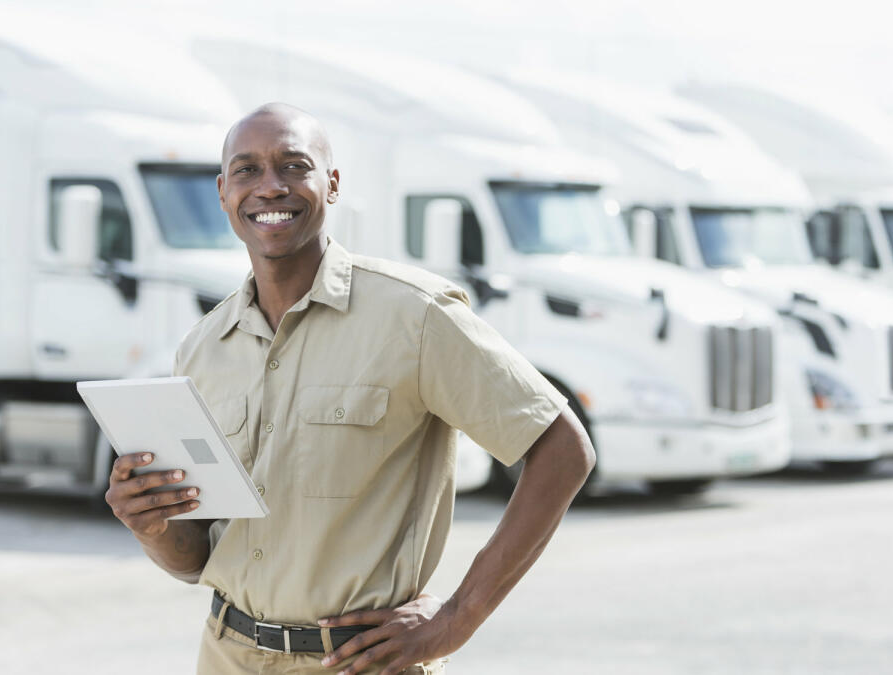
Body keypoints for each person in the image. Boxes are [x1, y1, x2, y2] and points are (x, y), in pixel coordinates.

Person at [104, 103, 596, 674]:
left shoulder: (414, 315)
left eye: (293, 166)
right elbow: (195, 559)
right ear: (222, 192)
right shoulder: (203, 348)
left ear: (331, 185)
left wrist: (457, 618)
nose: (269, 187)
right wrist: (150, 524)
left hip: (361, 664)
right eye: (247, 170)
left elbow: (562, 449)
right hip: (226, 656)